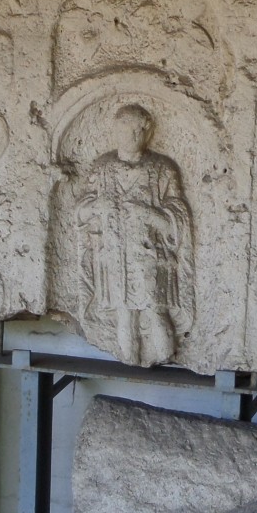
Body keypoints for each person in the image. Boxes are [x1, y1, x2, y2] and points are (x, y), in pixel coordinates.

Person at [76, 103, 193, 366]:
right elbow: (81, 212)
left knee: (155, 311)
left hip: (150, 254)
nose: (130, 136)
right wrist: (96, 207)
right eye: (124, 130)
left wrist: (148, 214)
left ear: (146, 132)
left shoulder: (162, 169)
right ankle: (129, 358)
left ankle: (164, 354)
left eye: (136, 131)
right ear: (116, 131)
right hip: (113, 255)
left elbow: (179, 215)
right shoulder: (102, 168)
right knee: (124, 315)